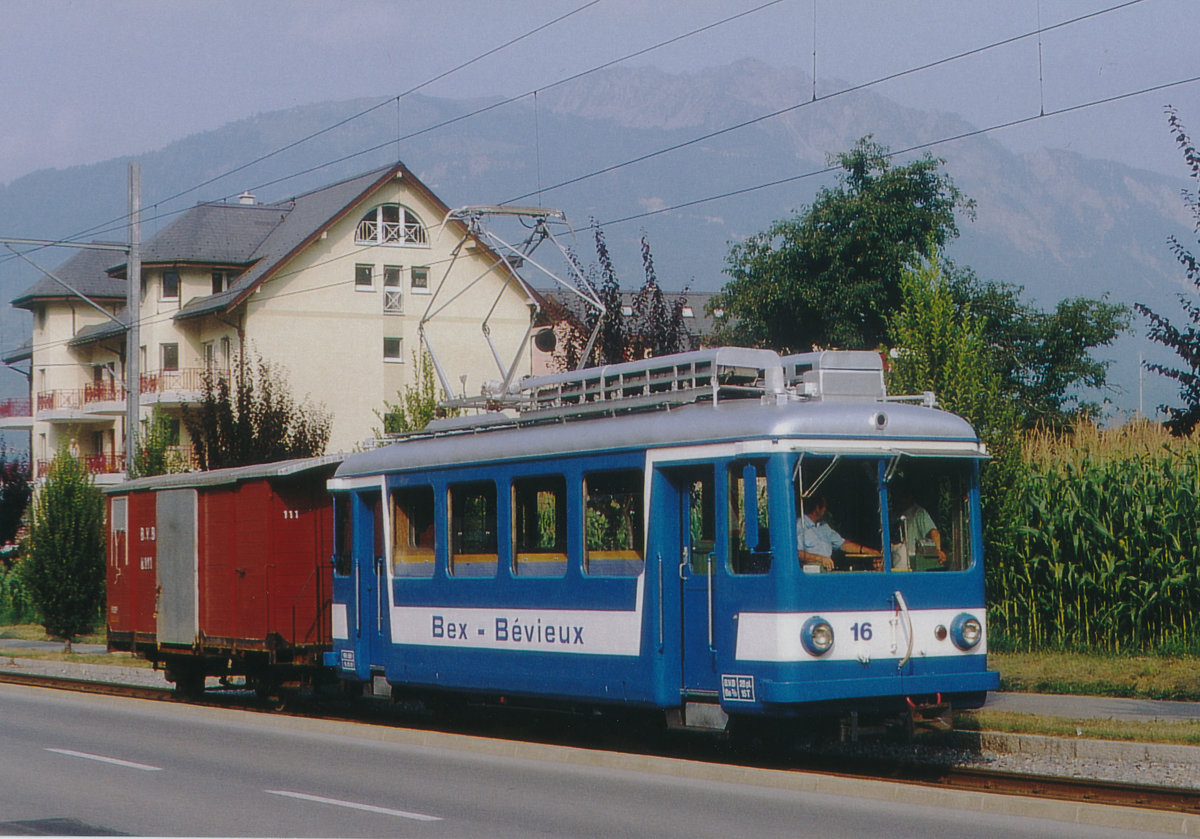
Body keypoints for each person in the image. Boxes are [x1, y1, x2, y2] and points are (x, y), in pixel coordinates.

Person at [797, 491, 880, 571]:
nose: (826, 509)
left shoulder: (824, 527)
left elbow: (843, 544)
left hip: (827, 573)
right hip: (809, 576)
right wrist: (820, 559)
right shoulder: (799, 525)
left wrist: (869, 551)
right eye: (825, 506)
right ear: (817, 508)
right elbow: (797, 553)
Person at [890, 486, 946, 569]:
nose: (898, 500)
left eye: (901, 496)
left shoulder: (919, 513)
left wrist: (937, 550)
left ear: (909, 497)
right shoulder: (892, 515)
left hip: (912, 564)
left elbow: (934, 533)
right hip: (893, 560)